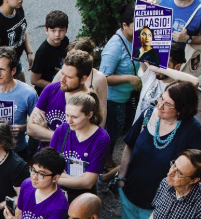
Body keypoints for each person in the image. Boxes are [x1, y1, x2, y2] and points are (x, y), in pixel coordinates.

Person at [117, 82, 201, 219]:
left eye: (168, 104)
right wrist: (121, 177)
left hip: (158, 203)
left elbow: (195, 167)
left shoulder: (192, 130)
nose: (160, 105)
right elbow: (130, 146)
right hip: (130, 190)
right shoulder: (149, 114)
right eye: (161, 99)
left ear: (181, 110)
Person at [4, 146, 68, 219]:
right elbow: (18, 214)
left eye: (41, 174)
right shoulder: (27, 184)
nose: (34, 177)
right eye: (33, 170)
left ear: (55, 178)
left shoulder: (59, 207)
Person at [101, 5, 144, 162]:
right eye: (136, 26)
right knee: (113, 130)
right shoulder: (114, 46)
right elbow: (103, 77)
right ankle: (106, 159)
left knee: (122, 128)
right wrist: (128, 78)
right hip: (114, 99)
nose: (140, 30)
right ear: (124, 25)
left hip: (127, 96)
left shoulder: (135, 38)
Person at [49, 92, 110, 201]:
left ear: (89, 115)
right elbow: (48, 164)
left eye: (74, 117)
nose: (69, 121)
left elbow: (88, 182)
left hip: (82, 197)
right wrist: (76, 179)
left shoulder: (101, 138)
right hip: (57, 192)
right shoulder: (62, 129)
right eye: (67, 115)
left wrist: (52, 178)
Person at [28, 49, 93, 148]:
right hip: (44, 155)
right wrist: (60, 136)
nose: (62, 80)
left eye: (69, 77)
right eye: (62, 73)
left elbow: (80, 142)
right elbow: (30, 128)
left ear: (83, 79)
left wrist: (45, 131)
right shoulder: (51, 89)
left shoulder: (90, 102)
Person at [53, 38, 110, 125]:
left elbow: (102, 108)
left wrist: (98, 132)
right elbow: (52, 94)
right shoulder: (62, 73)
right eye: (69, 55)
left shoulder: (99, 78)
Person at [0, 0, 33, 77]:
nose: (21, 0)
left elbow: (22, 30)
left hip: (15, 62)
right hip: (3, 69)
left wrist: (29, 52)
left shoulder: (17, 8)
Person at [30, 11, 69, 93]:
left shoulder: (65, 41)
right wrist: (56, 86)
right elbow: (34, 80)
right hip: (46, 93)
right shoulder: (42, 52)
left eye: (61, 30)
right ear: (46, 30)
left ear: (66, 30)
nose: (57, 34)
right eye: (53, 30)